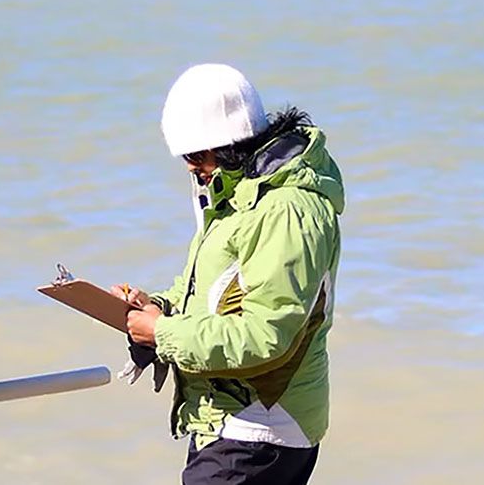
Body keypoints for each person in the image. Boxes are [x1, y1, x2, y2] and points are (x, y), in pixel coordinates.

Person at [112, 63, 345, 485]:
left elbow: (268, 334)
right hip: (227, 422)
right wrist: (156, 307)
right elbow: (209, 290)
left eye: (195, 155)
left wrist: (162, 334)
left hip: (261, 429)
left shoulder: (285, 209)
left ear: (228, 144)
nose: (189, 168)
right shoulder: (238, 194)